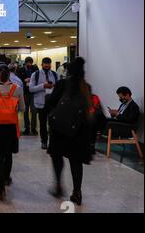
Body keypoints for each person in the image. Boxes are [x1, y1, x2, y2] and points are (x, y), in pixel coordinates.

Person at [46, 57, 94, 206]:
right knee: (76, 162)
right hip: (78, 131)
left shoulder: (62, 84)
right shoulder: (86, 87)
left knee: (57, 157)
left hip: (59, 130)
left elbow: (51, 101)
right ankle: (77, 192)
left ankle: (59, 186)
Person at [0, 64, 25, 201]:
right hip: (11, 127)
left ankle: (1, 189)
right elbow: (23, 108)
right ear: (9, 75)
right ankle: (7, 178)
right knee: (8, 154)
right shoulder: (17, 89)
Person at [29, 57, 59, 149]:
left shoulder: (54, 74)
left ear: (51, 64)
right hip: (41, 102)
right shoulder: (36, 74)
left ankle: (53, 142)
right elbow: (31, 88)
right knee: (42, 123)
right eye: (45, 63)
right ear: (41, 64)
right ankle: (44, 141)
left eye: (48, 63)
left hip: (52, 103)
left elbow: (58, 88)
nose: (47, 65)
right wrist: (43, 86)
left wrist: (53, 87)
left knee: (53, 124)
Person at [16, 56, 39, 136]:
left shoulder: (35, 68)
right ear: (25, 62)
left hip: (33, 92)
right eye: (28, 62)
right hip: (25, 93)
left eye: (30, 62)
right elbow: (18, 79)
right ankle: (27, 128)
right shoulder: (20, 69)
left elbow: (38, 78)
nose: (29, 64)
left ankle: (33, 128)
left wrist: (31, 80)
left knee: (34, 111)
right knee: (25, 111)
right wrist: (24, 80)